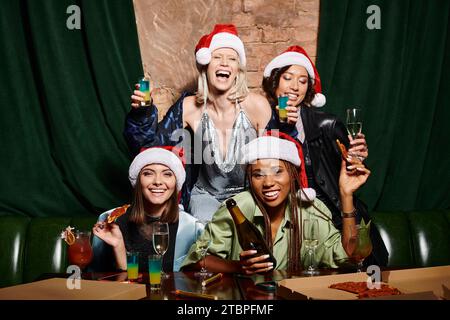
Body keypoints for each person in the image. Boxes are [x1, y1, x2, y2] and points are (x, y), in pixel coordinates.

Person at [124, 24, 274, 221]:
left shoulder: (258, 106)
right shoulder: (189, 107)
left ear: (238, 69)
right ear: (205, 65)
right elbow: (149, 147)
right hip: (205, 198)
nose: (224, 63)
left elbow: (278, 161)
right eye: (217, 57)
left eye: (231, 59)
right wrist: (142, 113)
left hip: (249, 196)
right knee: (205, 239)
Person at [261, 46, 388, 267]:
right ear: (275, 82)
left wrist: (357, 155)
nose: (294, 86)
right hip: (291, 220)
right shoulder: (260, 122)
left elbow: (350, 164)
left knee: (362, 275)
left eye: (302, 81)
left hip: (335, 214)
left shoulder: (326, 124)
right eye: (287, 78)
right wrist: (278, 125)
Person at [181, 134, 370, 273]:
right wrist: (239, 267)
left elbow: (349, 256)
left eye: (277, 171)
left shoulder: (310, 209)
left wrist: (346, 195)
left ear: (293, 175)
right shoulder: (238, 207)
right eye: (258, 175)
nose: (269, 182)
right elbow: (196, 261)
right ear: (250, 179)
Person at [90, 146, 200, 272]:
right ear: (137, 181)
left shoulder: (192, 227)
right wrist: (118, 246)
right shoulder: (110, 220)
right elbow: (96, 278)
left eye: (167, 174)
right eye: (148, 173)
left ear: (176, 183)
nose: (158, 181)